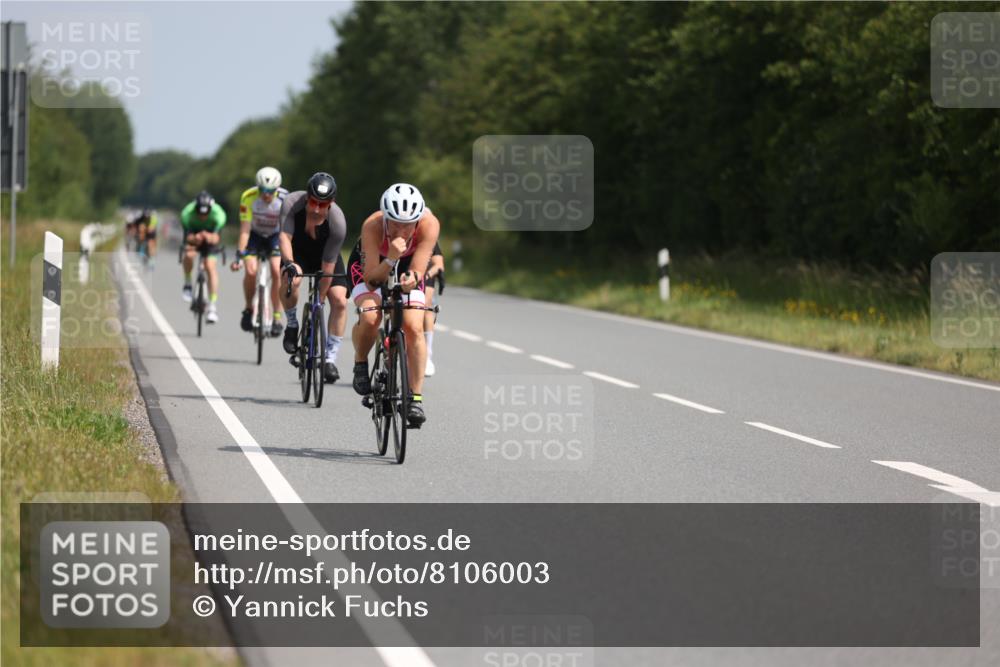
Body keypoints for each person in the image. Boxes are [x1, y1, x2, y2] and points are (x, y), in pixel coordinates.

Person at [349, 183, 440, 427]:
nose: (402, 229)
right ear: (385, 218)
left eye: (409, 223)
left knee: (413, 326)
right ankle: (360, 361)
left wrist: (413, 279)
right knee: (370, 316)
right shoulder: (373, 225)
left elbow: (419, 268)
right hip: (372, 264)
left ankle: (415, 399)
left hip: (408, 263)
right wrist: (390, 257)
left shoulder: (430, 225)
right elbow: (371, 280)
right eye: (396, 223)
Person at [278, 172, 349, 384]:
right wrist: (289, 264)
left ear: (332, 202)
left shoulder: (337, 222)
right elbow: (284, 237)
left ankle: (329, 359)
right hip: (297, 251)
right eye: (313, 202)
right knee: (293, 279)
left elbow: (328, 267)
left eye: (323, 204)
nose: (317, 208)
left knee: (340, 301)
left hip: (325, 255)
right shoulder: (291, 202)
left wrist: (320, 300)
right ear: (306, 197)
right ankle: (291, 324)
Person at [231, 166, 288, 336]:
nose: (266, 194)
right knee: (250, 270)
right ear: (258, 187)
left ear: (277, 189)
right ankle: (249, 308)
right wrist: (239, 256)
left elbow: (288, 230)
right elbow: (245, 230)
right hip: (254, 235)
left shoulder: (285, 199)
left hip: (275, 236)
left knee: (277, 271)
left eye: (271, 191)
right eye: (263, 190)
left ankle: (277, 316)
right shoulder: (248, 197)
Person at [179, 191, 226, 324]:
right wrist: (195, 238)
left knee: (210, 266)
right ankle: (188, 283)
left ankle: (212, 306)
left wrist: (207, 236)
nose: (203, 216)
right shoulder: (187, 214)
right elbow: (187, 237)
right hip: (193, 237)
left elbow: (216, 238)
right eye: (200, 213)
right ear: (195, 208)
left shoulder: (219, 214)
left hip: (210, 239)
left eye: (206, 213)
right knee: (188, 255)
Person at [423, 243, 444, 377]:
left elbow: (438, 264)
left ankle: (426, 354)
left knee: (426, 304)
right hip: (396, 271)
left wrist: (427, 275)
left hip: (423, 274)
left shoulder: (426, 233)